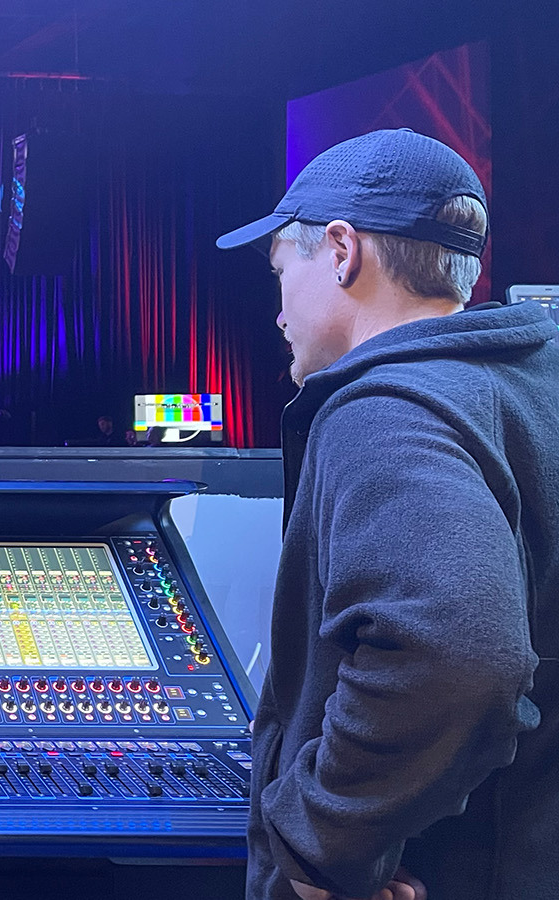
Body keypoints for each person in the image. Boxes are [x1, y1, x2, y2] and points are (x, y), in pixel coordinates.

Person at [217, 128, 556, 900]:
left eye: (280, 271)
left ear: (341, 251)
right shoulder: (536, 384)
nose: (277, 310)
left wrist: (323, 846)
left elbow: (457, 653)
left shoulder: (385, 414)